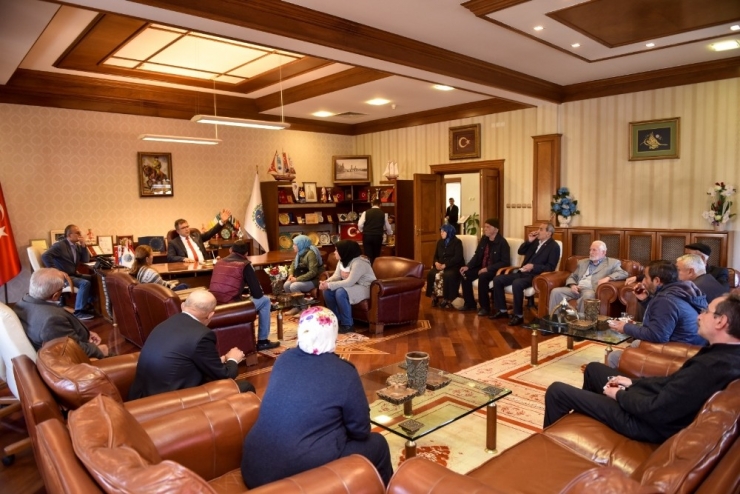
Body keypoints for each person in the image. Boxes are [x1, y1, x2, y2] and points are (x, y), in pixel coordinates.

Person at [543, 293, 740, 444]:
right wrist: (632, 383)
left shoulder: (711, 367)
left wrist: (619, 395)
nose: (699, 316)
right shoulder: (722, 353)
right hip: (654, 410)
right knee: (594, 369)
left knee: (557, 391)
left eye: (706, 311)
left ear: (721, 321)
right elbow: (671, 383)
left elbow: (657, 409)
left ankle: (550, 445)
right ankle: (585, 422)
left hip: (647, 424)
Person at [240, 306, 392, 488]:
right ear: (333, 334)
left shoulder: (283, 359)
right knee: (378, 444)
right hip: (290, 478)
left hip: (253, 467)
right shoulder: (344, 372)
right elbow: (360, 430)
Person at [128, 290, 254, 399]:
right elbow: (224, 376)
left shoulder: (165, 323)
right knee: (245, 387)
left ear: (183, 306)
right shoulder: (202, 335)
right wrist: (233, 359)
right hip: (166, 401)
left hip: (140, 395)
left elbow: (181, 358)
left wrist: (217, 362)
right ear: (211, 315)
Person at [607, 260, 707, 367]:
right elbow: (665, 315)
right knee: (636, 344)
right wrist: (645, 300)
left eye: (645, 277)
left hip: (681, 355)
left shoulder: (665, 300)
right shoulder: (681, 290)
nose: (643, 281)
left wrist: (626, 327)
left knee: (614, 357)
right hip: (694, 349)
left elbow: (657, 335)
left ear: (657, 281)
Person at [13, 268, 108, 359]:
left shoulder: (23, 302)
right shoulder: (52, 319)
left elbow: (58, 334)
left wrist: (85, 333)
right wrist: (99, 350)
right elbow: (73, 351)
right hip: (78, 365)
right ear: (55, 295)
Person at [208, 240, 279, 351]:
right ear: (246, 254)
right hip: (231, 307)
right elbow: (257, 294)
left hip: (214, 305)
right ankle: (263, 341)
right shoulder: (244, 265)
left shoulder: (219, 262)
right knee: (265, 301)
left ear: (231, 250)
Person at [490, 223, 560, 325]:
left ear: (548, 233)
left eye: (541, 229)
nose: (538, 231)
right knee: (498, 279)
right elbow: (520, 251)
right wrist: (529, 241)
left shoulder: (554, 247)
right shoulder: (535, 241)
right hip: (522, 272)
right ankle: (502, 310)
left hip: (536, 276)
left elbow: (550, 267)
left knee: (517, 283)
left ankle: (518, 315)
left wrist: (534, 267)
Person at [547, 241, 628, 314]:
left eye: (594, 250)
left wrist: (608, 278)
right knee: (556, 292)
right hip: (577, 289)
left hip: (591, 289)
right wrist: (572, 285)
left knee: (588, 296)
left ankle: (581, 324)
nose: (590, 252)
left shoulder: (612, 263)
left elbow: (623, 273)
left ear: (603, 252)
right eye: (590, 250)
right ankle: (554, 321)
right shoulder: (582, 262)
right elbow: (573, 276)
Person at [319, 240, 376, 334]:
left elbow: (350, 282)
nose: (334, 252)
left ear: (345, 251)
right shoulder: (342, 261)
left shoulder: (359, 263)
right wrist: (326, 282)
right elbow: (337, 276)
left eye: (337, 250)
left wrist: (329, 285)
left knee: (340, 292)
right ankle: (336, 321)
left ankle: (348, 325)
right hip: (353, 286)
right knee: (328, 291)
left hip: (366, 287)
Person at [457, 218, 510, 314]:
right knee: (465, 274)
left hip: (494, 270)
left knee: (483, 277)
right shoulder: (484, 239)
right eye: (485, 227)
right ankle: (470, 303)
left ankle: (485, 307)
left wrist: (488, 268)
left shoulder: (502, 243)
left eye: (488, 227)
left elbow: (505, 262)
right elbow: (477, 255)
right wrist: (468, 266)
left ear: (496, 229)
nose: (485, 229)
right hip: (482, 267)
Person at [41, 224, 94, 320]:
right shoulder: (60, 245)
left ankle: (88, 303)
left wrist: (83, 246)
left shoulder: (76, 246)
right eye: (77, 233)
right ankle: (79, 311)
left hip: (73, 274)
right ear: (69, 235)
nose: (80, 234)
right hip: (64, 277)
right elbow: (45, 256)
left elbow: (86, 260)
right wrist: (56, 272)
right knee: (84, 283)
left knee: (91, 277)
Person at [167, 208, 232, 262]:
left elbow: (210, 233)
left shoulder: (196, 236)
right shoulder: (173, 243)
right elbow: (170, 257)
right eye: (183, 228)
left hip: (204, 265)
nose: (186, 229)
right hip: (188, 269)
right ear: (177, 231)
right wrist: (183, 259)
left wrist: (222, 221)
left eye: (187, 227)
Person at [282, 234, 325, 313]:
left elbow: (313, 272)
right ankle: (296, 307)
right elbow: (293, 265)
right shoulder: (300, 253)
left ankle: (304, 309)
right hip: (303, 277)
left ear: (301, 244)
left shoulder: (311, 254)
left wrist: (297, 279)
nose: (293, 247)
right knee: (286, 285)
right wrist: (291, 274)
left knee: (294, 286)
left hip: (314, 280)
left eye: (295, 245)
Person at [426, 224, 464, 308]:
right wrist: (436, 263)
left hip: (453, 266)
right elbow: (436, 256)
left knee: (448, 275)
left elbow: (458, 257)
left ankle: (447, 299)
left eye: (443, 231)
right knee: (431, 274)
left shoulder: (457, 242)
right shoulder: (440, 242)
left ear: (449, 232)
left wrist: (445, 265)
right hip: (440, 265)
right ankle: (434, 297)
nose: (441, 233)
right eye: (441, 231)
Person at [357, 199, 392, 266]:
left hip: (367, 236)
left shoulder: (365, 212)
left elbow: (359, 224)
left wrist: (362, 230)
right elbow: (388, 227)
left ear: (372, 204)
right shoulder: (383, 214)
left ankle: (368, 272)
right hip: (377, 236)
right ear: (380, 205)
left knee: (368, 256)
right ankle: (375, 271)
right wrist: (390, 233)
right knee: (376, 256)